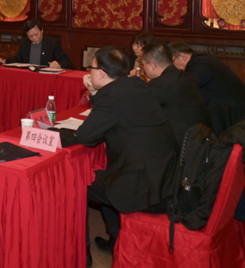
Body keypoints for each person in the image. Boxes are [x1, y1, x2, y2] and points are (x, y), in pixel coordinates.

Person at [76, 47, 178, 260]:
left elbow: (86, 136)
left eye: (90, 68)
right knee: (105, 176)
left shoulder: (111, 95)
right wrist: (95, 94)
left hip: (142, 186)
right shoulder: (137, 84)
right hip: (165, 177)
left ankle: (82, 255)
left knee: (78, 182)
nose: (89, 72)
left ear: (101, 73)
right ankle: (116, 239)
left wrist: (96, 94)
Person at [141, 42, 212, 144]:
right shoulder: (186, 76)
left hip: (184, 145)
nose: (143, 69)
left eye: (143, 65)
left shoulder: (160, 84)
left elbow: (140, 106)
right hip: (203, 139)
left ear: (152, 65)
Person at [170, 41, 245, 135]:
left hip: (231, 111)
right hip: (225, 107)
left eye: (172, 62)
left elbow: (185, 87)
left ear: (183, 56)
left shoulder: (200, 64)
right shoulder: (201, 60)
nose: (173, 67)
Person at [0, 19, 74, 69]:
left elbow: (65, 60)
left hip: (46, 77)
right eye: (30, 36)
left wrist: (58, 64)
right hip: (29, 76)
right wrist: (4, 61)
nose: (34, 38)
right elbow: (18, 59)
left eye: (36, 34)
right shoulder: (25, 42)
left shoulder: (52, 43)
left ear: (41, 30)